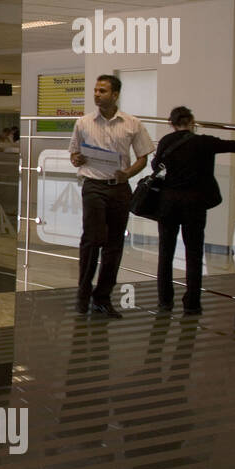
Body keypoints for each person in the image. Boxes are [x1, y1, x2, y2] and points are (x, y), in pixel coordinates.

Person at [68, 74, 153, 318]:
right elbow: (74, 156)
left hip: (118, 187)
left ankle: (102, 298)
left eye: (102, 91)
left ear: (115, 95)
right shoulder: (83, 123)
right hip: (93, 185)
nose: (97, 95)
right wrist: (77, 159)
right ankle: (82, 295)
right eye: (95, 90)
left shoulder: (131, 123)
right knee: (93, 240)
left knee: (114, 245)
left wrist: (127, 174)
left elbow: (143, 157)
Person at [151, 106, 235, 316]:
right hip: (194, 204)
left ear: (171, 123)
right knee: (194, 253)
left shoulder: (166, 141)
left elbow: (156, 165)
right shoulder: (203, 142)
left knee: (165, 252)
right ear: (192, 121)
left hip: (168, 203)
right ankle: (192, 303)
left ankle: (165, 300)